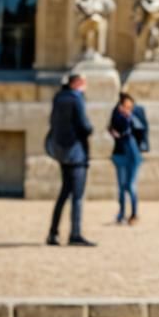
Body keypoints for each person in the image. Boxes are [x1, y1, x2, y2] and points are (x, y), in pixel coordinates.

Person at [45, 71, 95, 246]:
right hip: (77, 152)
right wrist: (90, 129)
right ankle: (75, 234)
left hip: (62, 151)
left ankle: (53, 233)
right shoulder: (77, 98)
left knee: (64, 193)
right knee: (77, 196)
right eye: (84, 82)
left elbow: (52, 123)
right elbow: (84, 126)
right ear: (77, 83)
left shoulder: (58, 98)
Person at [108, 92, 144, 225]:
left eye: (130, 106)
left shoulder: (134, 116)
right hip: (120, 154)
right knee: (121, 186)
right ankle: (121, 214)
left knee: (130, 185)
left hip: (133, 155)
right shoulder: (116, 116)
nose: (129, 109)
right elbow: (114, 129)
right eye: (126, 106)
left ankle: (134, 214)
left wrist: (129, 117)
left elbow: (140, 131)